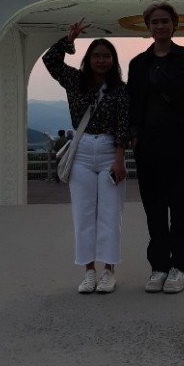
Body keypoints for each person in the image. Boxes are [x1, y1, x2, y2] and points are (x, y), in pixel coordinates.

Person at [43, 20, 129, 294]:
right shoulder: (75, 81)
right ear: (88, 59)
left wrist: (119, 159)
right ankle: (89, 271)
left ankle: (109, 271)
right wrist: (68, 40)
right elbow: (50, 61)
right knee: (83, 214)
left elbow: (123, 125)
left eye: (106, 56)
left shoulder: (120, 89)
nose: (101, 60)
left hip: (109, 150)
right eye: (96, 55)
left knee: (110, 214)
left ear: (113, 60)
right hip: (81, 151)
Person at [127, 2, 184, 294]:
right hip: (147, 142)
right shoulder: (138, 64)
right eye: (155, 22)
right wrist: (134, 136)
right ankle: (158, 266)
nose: (160, 26)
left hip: (176, 140)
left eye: (165, 21)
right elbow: (134, 103)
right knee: (153, 207)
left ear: (174, 25)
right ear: (148, 27)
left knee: (179, 207)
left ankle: (178, 266)